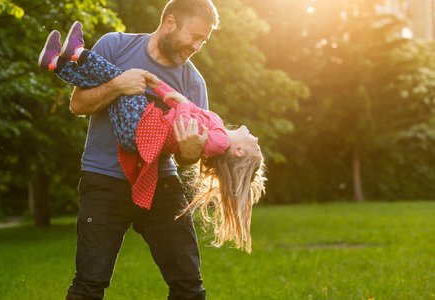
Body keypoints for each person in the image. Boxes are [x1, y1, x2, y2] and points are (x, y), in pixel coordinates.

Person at [40, 1, 225, 299]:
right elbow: (78, 105)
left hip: (161, 184)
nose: (197, 46)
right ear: (170, 23)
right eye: (194, 36)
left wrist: (190, 152)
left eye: (203, 40)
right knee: (89, 284)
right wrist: (118, 85)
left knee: (189, 285)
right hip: (104, 181)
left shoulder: (193, 82)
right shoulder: (115, 45)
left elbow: (187, 158)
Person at [39, 21, 266, 254]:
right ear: (171, 22)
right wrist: (159, 87)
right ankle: (55, 63)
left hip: (141, 129)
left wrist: (181, 105)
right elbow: (183, 106)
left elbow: (186, 123)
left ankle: (76, 53)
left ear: (238, 151)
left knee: (121, 79)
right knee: (112, 82)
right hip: (138, 132)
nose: (257, 140)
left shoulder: (219, 141)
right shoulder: (217, 128)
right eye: (196, 36)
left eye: (256, 147)